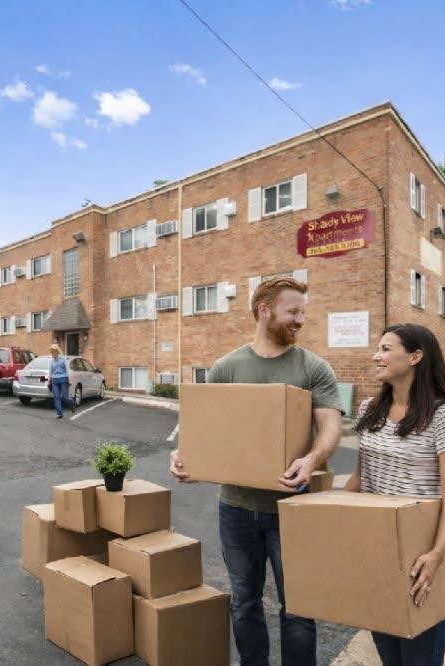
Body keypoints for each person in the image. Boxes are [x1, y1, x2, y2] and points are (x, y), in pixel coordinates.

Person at [169, 276, 343, 666]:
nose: (301, 320)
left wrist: (312, 459)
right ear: (264, 311)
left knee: (298, 607)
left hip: (293, 510)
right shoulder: (227, 368)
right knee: (245, 602)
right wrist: (185, 457)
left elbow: (331, 427)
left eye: (303, 312)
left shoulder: (313, 367)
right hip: (236, 509)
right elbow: (207, 432)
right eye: (293, 311)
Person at [344, 324, 445, 666]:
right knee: (391, 661)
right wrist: (334, 519)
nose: (375, 356)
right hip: (377, 553)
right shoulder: (370, 409)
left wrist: (437, 555)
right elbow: (360, 475)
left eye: (385, 349)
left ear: (415, 356)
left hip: (422, 561)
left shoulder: (444, 417)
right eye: (377, 348)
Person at [48, 343, 76, 418]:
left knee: (65, 397)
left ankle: (72, 403)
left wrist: (69, 379)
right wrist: (48, 380)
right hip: (55, 381)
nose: (52, 354)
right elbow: (50, 371)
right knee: (56, 397)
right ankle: (59, 413)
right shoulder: (52, 361)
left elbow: (68, 369)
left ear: (57, 352)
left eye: (52, 352)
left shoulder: (63, 359)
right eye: (51, 352)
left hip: (63, 379)